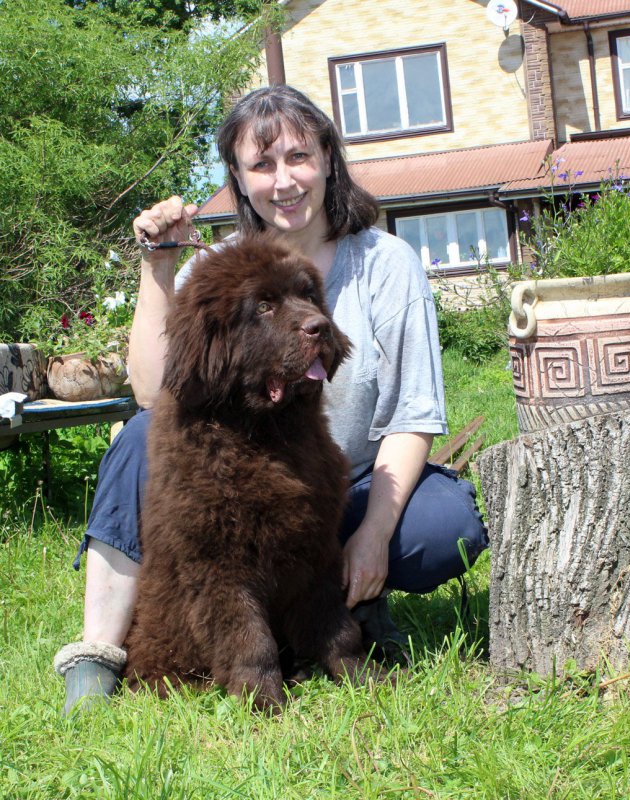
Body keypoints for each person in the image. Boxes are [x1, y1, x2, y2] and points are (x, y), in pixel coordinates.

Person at [54, 85, 488, 715]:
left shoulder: (385, 264)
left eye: (298, 157)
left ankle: (354, 601)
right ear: (237, 178)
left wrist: (370, 535)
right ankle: (99, 649)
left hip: (350, 481)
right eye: (262, 165)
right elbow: (158, 388)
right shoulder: (227, 266)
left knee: (445, 524)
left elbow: (414, 414)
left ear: (328, 160)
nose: (284, 180)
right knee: (138, 437)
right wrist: (159, 261)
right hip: (241, 481)